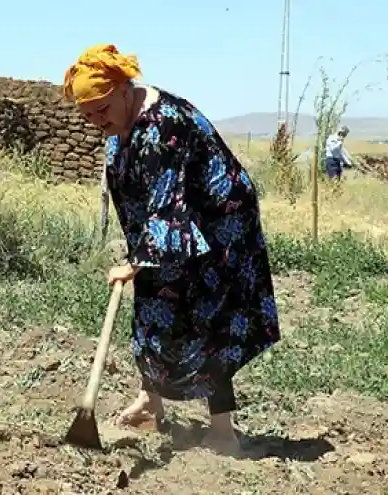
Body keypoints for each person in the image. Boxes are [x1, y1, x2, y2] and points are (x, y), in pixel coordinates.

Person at [63, 44, 281, 457]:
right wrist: (140, 258)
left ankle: (223, 431)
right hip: (166, 227)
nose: (96, 122)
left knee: (209, 316)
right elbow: (139, 196)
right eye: (86, 114)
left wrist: (138, 261)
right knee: (153, 305)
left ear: (126, 90)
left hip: (219, 226)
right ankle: (150, 403)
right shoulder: (121, 123)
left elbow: (168, 205)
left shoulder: (164, 126)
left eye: (102, 110)